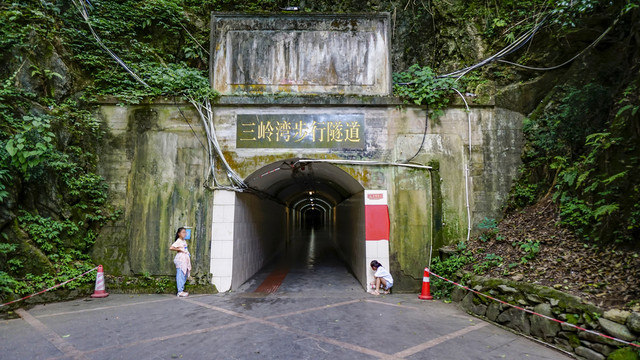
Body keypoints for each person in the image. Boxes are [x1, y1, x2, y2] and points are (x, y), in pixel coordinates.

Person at [170, 227, 191, 297]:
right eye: (183, 232)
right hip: (180, 259)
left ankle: (181, 289)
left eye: (185, 232)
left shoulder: (184, 241)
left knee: (184, 274)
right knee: (180, 274)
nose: (185, 234)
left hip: (185, 259)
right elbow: (171, 247)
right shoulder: (178, 241)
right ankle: (180, 291)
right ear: (179, 234)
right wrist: (179, 249)